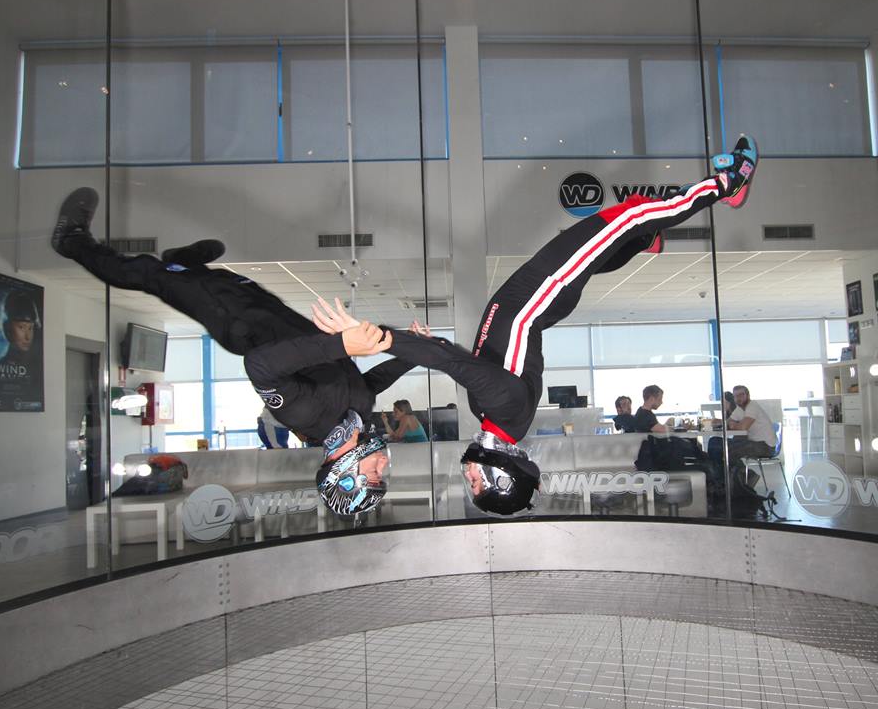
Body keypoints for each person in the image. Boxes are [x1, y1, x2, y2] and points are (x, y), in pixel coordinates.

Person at [313, 136, 759, 516]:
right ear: (501, 475)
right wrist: (383, 340)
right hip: (541, 290)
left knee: (603, 240)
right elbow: (454, 364)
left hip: (538, 296)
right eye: (477, 482)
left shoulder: (495, 417)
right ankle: (728, 184)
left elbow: (471, 359)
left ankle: (646, 239)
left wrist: (421, 343)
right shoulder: (506, 411)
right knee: (627, 215)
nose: (468, 476)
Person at [50, 188, 420, 517]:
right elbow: (367, 384)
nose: (383, 466)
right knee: (222, 279)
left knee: (150, 275)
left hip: (237, 322)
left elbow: (260, 366)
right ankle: (184, 261)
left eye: (375, 474)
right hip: (271, 314)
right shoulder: (356, 417)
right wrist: (413, 353)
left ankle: (73, 241)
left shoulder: (306, 415)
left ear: (347, 473)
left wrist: (341, 345)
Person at [727, 384, 777, 484]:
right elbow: (728, 422)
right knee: (723, 445)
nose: (738, 398)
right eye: (735, 396)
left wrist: (734, 425)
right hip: (755, 442)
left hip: (766, 446)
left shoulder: (752, 406)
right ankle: (739, 479)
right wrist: (733, 424)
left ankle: (746, 478)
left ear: (748, 395)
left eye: (741, 395)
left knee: (729, 451)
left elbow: (743, 427)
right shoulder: (740, 408)